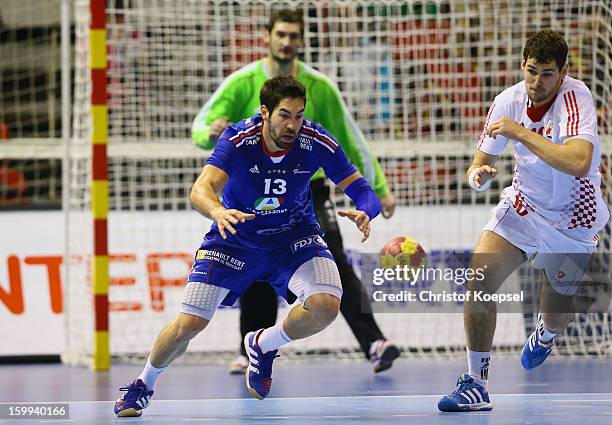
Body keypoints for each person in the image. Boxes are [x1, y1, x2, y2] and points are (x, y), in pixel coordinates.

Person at [114, 76, 382, 417]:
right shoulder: (239, 138)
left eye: (299, 115)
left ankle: (263, 344)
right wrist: (217, 211)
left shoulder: (315, 141)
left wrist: (365, 210)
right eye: (285, 115)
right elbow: (201, 189)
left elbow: (362, 189)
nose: (293, 125)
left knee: (326, 304)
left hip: (292, 238)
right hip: (235, 238)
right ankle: (143, 384)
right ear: (264, 112)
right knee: (189, 325)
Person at [192, 9, 400, 374]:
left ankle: (373, 343)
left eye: (294, 36)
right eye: (282, 35)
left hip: (307, 191)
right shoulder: (241, 82)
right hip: (251, 194)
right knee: (254, 263)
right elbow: (201, 123)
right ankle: (253, 348)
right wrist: (211, 130)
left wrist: (376, 192)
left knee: (332, 261)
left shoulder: (320, 87)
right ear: (268, 37)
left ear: (302, 40)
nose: (288, 42)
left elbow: (350, 142)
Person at [438, 30, 609, 412]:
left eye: (547, 74)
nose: (536, 83)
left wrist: (520, 133)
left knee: (555, 313)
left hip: (574, 220)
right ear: (522, 65)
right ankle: (476, 384)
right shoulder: (507, 101)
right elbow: (481, 160)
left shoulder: (575, 97)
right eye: (531, 72)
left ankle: (545, 334)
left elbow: (579, 161)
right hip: (523, 207)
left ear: (563, 72)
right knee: (478, 279)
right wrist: (477, 176)